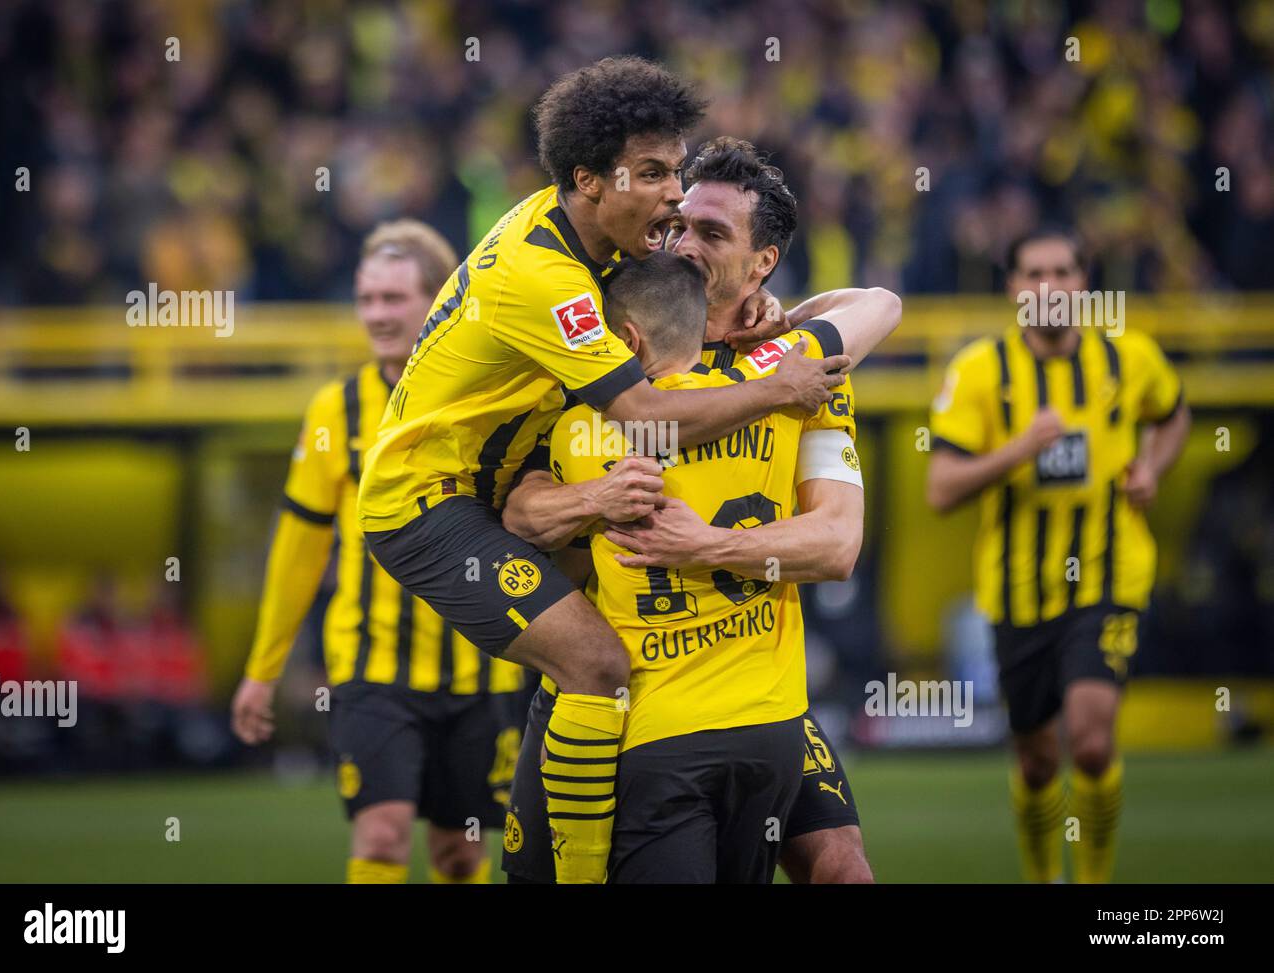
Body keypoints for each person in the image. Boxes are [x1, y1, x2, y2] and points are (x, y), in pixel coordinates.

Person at [355, 57, 852, 883]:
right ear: (589, 179)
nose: (673, 196)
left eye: (676, 170)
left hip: (500, 490)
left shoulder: (593, 246)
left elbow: (855, 305)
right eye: (653, 173)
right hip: (425, 505)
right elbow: (647, 415)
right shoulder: (544, 273)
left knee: (595, 643)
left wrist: (772, 310)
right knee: (597, 663)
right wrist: (781, 385)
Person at [502, 138, 892, 883]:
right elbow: (518, 508)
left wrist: (704, 544)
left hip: (752, 700)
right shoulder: (597, 349)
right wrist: (592, 500)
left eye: (711, 234)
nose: (681, 242)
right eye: (679, 222)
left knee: (843, 865)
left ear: (762, 263)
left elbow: (837, 544)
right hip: (617, 693)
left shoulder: (800, 370)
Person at [232, 220, 526, 884]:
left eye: (393, 298)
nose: (376, 314)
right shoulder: (337, 410)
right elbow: (299, 547)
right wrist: (263, 667)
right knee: (384, 830)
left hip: (484, 669)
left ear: (439, 302)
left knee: (460, 852)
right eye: (367, 298)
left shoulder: (493, 398)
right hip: (371, 668)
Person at [926, 228, 1191, 883]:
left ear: (1084, 284)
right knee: (1038, 761)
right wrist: (1020, 447)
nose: (1050, 287)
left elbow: (1175, 412)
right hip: (1019, 590)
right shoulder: (980, 372)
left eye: (1064, 272)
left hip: (1109, 576)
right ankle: (1045, 877)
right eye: (1034, 274)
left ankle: (1095, 884)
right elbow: (940, 490)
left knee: (1093, 741)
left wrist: (1151, 469)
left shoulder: (1129, 358)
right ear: (1014, 288)